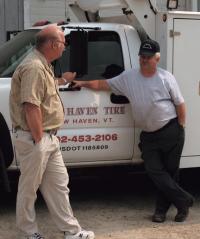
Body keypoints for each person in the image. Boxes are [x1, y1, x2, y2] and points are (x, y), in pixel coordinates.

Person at [72, 39, 194, 223]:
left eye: (148, 57)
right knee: (155, 171)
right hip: (149, 135)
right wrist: (82, 83)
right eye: (141, 56)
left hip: (170, 130)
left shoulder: (166, 77)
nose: (144, 60)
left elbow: (180, 103)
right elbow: (103, 84)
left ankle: (166, 211)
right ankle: (184, 199)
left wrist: (181, 127)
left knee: (170, 174)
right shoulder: (129, 77)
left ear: (157, 59)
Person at [9, 25, 95, 239]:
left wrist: (63, 80)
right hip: (37, 139)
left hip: (48, 138)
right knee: (29, 189)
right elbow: (31, 105)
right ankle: (28, 233)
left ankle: (72, 231)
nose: (64, 48)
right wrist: (39, 141)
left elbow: (44, 89)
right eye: (63, 44)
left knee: (59, 186)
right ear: (52, 45)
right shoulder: (35, 67)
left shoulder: (42, 65)